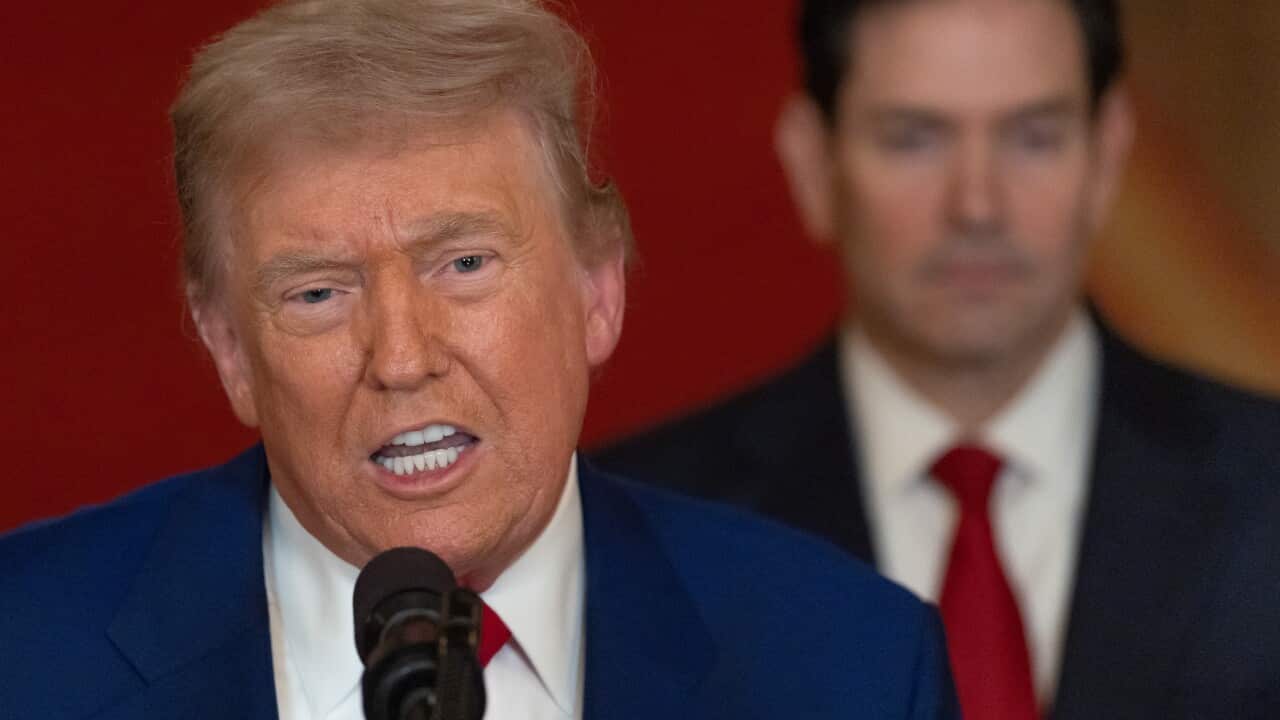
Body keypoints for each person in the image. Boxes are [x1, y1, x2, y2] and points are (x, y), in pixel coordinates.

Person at [0, 1, 959, 719]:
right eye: (319, 293)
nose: (402, 358)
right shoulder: (25, 655)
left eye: (463, 264)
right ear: (227, 349)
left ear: (597, 290)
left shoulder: (850, 668)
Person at [596, 0, 1280, 718]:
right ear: (814, 163)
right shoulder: (636, 533)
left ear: (1107, 157)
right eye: (914, 139)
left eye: (1034, 137)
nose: (977, 204)